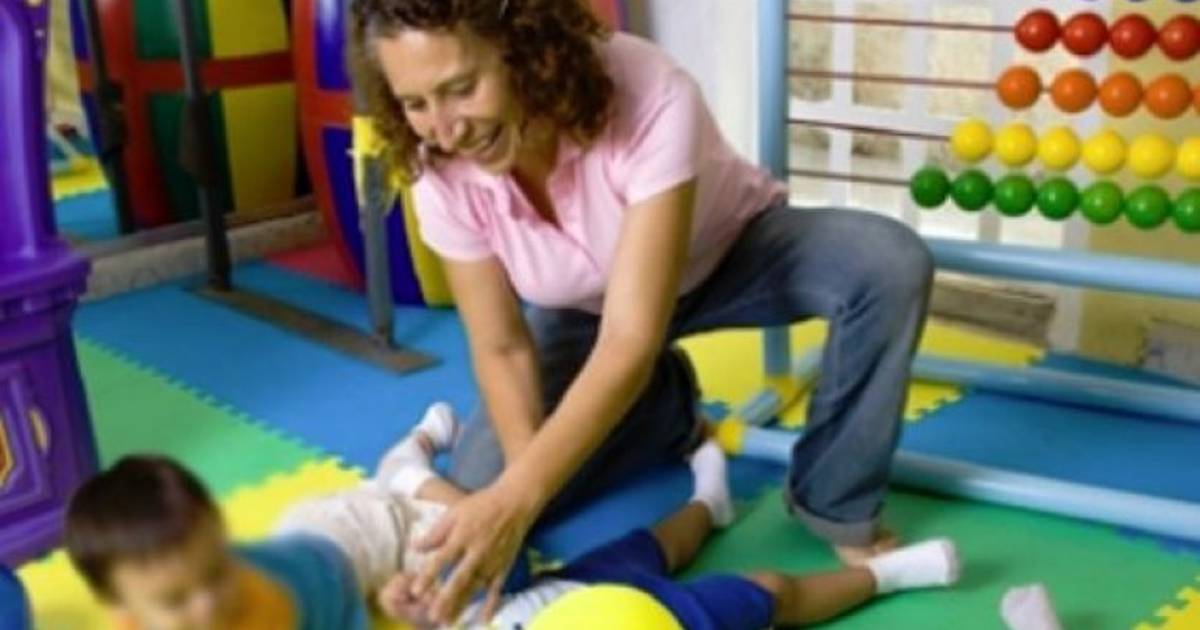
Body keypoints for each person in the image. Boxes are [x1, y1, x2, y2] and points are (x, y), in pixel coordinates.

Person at [350, 0, 935, 621]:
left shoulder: (652, 93)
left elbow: (630, 337)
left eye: (461, 88)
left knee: (887, 264)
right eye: (416, 103)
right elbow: (501, 344)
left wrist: (518, 499)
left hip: (726, 257)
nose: (446, 130)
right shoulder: (436, 166)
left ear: (523, 49)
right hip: (585, 312)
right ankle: (664, 403)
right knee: (484, 488)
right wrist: (520, 495)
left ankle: (834, 499)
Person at [64, 405, 959, 629]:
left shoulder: (277, 590)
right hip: (577, 606)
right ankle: (714, 503)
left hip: (376, 541)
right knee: (655, 559)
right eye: (175, 602)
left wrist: (411, 604)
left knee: (513, 548)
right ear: (127, 615)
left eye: (212, 576)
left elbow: (375, 602)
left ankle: (408, 469)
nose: (206, 605)